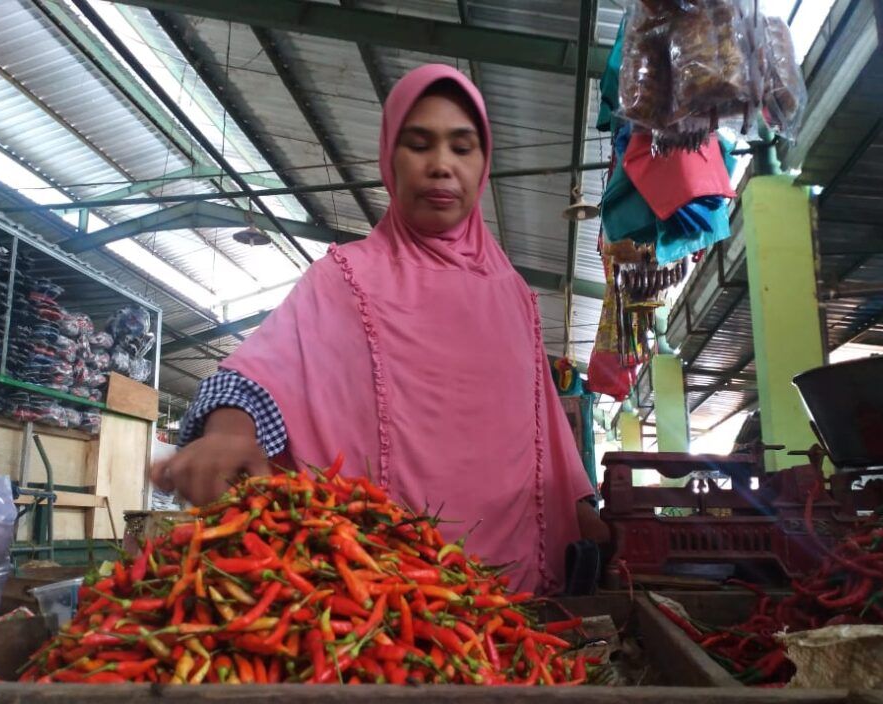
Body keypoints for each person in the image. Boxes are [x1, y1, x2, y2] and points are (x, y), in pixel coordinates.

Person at [152, 64, 609, 594]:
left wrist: (581, 510)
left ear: (484, 165)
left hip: (520, 590)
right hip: (383, 594)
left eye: (462, 148)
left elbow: (543, 423)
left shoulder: (513, 295)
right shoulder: (346, 278)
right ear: (389, 158)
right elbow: (266, 370)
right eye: (419, 144)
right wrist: (230, 432)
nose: (442, 166)